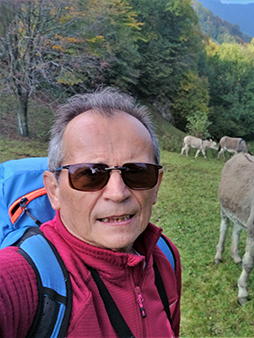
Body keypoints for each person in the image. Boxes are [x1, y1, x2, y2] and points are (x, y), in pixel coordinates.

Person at [0, 88, 182, 337]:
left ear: (157, 185)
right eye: (90, 175)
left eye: (138, 172)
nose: (118, 193)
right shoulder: (23, 279)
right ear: (54, 190)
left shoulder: (165, 256)